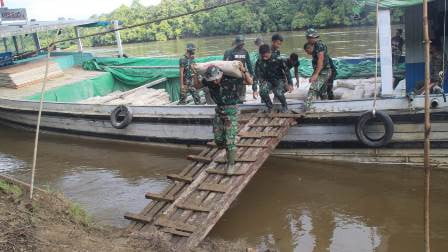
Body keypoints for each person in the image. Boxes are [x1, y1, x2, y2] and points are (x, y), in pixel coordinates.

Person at [195, 65, 253, 173]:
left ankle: (231, 164)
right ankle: (228, 151)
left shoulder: (232, 79)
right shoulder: (209, 81)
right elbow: (197, 86)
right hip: (219, 111)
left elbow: (250, 82)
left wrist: (244, 71)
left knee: (230, 138)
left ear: (220, 74)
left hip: (231, 111)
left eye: (216, 79)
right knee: (219, 140)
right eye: (213, 80)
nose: (215, 82)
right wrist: (195, 74)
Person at [255, 44, 293, 113]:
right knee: (262, 91)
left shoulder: (278, 59)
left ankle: (285, 106)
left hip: (279, 80)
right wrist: (254, 89)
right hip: (268, 81)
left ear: (270, 52)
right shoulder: (259, 61)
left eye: (266, 56)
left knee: (277, 92)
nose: (264, 58)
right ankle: (270, 107)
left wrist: (290, 84)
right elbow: (256, 75)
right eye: (262, 56)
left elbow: (287, 71)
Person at [304, 28, 334, 108]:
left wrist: (316, 74)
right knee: (322, 91)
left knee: (313, 88)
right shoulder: (315, 45)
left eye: (309, 38)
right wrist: (314, 74)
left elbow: (320, 60)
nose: (308, 40)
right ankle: (326, 106)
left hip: (324, 72)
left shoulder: (319, 45)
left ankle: (305, 109)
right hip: (322, 71)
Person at [223, 35, 254, 103]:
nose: (241, 45)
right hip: (232, 76)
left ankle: (241, 102)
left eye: (242, 44)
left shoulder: (245, 52)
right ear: (236, 43)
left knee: (241, 94)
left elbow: (248, 64)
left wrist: (251, 74)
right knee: (233, 94)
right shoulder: (229, 52)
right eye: (240, 44)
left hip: (242, 75)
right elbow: (225, 64)